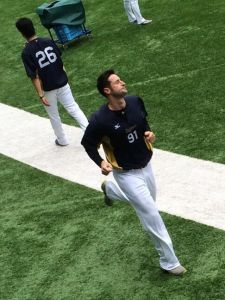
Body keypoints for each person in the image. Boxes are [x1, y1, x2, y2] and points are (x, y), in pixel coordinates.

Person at [81, 69, 186, 276]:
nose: (123, 83)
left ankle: (111, 192)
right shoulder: (100, 120)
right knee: (151, 215)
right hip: (126, 174)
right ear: (107, 90)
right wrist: (100, 161)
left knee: (147, 206)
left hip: (147, 166)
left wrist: (149, 133)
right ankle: (169, 261)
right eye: (117, 82)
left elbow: (143, 122)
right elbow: (88, 144)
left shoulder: (136, 101)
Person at [15, 17, 88, 146]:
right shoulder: (48, 41)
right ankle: (90, 134)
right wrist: (64, 76)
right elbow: (60, 60)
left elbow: (34, 76)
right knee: (73, 108)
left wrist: (41, 94)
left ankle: (62, 140)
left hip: (48, 88)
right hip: (62, 81)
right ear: (33, 27)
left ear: (21, 33)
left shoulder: (26, 52)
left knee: (54, 115)